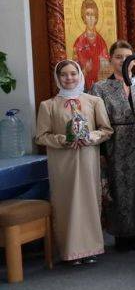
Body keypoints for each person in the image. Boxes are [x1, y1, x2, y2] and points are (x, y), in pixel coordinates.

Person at [35, 60, 113, 264]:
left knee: (88, 200)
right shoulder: (48, 105)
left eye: (73, 74)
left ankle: (91, 247)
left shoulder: (93, 101)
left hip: (87, 159)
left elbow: (106, 130)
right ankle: (69, 250)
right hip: (62, 162)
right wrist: (63, 140)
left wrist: (91, 137)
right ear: (57, 78)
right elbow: (41, 136)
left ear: (80, 75)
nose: (69, 78)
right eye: (64, 75)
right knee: (66, 202)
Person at [91, 41, 135, 252]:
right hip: (115, 142)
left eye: (128, 56)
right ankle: (121, 233)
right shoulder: (100, 88)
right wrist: (101, 151)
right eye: (119, 56)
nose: (123, 61)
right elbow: (96, 120)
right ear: (111, 59)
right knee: (118, 188)